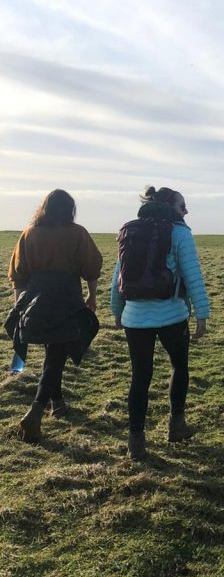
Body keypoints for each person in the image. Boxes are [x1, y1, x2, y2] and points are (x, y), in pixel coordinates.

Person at [111, 186, 210, 461]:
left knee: (140, 376)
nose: (186, 211)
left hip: (134, 317)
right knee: (179, 366)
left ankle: (136, 441)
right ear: (170, 207)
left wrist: (117, 311)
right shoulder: (180, 233)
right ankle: (176, 425)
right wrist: (202, 313)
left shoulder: (131, 230)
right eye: (182, 206)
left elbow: (117, 275)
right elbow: (193, 275)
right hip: (172, 315)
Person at [6, 189, 102, 441]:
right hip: (66, 298)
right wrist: (92, 296)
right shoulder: (77, 233)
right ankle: (34, 413)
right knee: (57, 355)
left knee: (54, 351)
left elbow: (18, 274)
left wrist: (19, 306)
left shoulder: (30, 233)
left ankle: (57, 403)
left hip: (35, 299)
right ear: (70, 209)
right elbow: (91, 268)